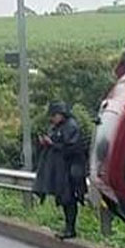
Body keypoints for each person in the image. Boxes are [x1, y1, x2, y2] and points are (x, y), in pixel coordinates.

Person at [33, 102, 88, 240]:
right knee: (64, 198)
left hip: (71, 170)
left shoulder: (71, 126)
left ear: (62, 114)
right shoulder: (57, 127)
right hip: (60, 170)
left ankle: (71, 228)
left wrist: (54, 144)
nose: (53, 119)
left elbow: (73, 149)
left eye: (55, 115)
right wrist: (46, 143)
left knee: (69, 198)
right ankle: (68, 227)